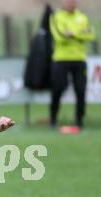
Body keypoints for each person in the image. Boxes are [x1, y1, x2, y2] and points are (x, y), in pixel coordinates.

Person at [49, 0, 96, 129]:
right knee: (58, 89)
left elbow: (91, 35)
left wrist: (72, 33)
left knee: (80, 91)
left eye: (73, 1)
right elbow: (60, 38)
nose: (71, 3)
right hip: (61, 59)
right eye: (69, 1)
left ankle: (79, 122)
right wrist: (80, 33)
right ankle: (53, 119)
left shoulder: (83, 17)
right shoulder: (56, 17)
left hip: (79, 59)